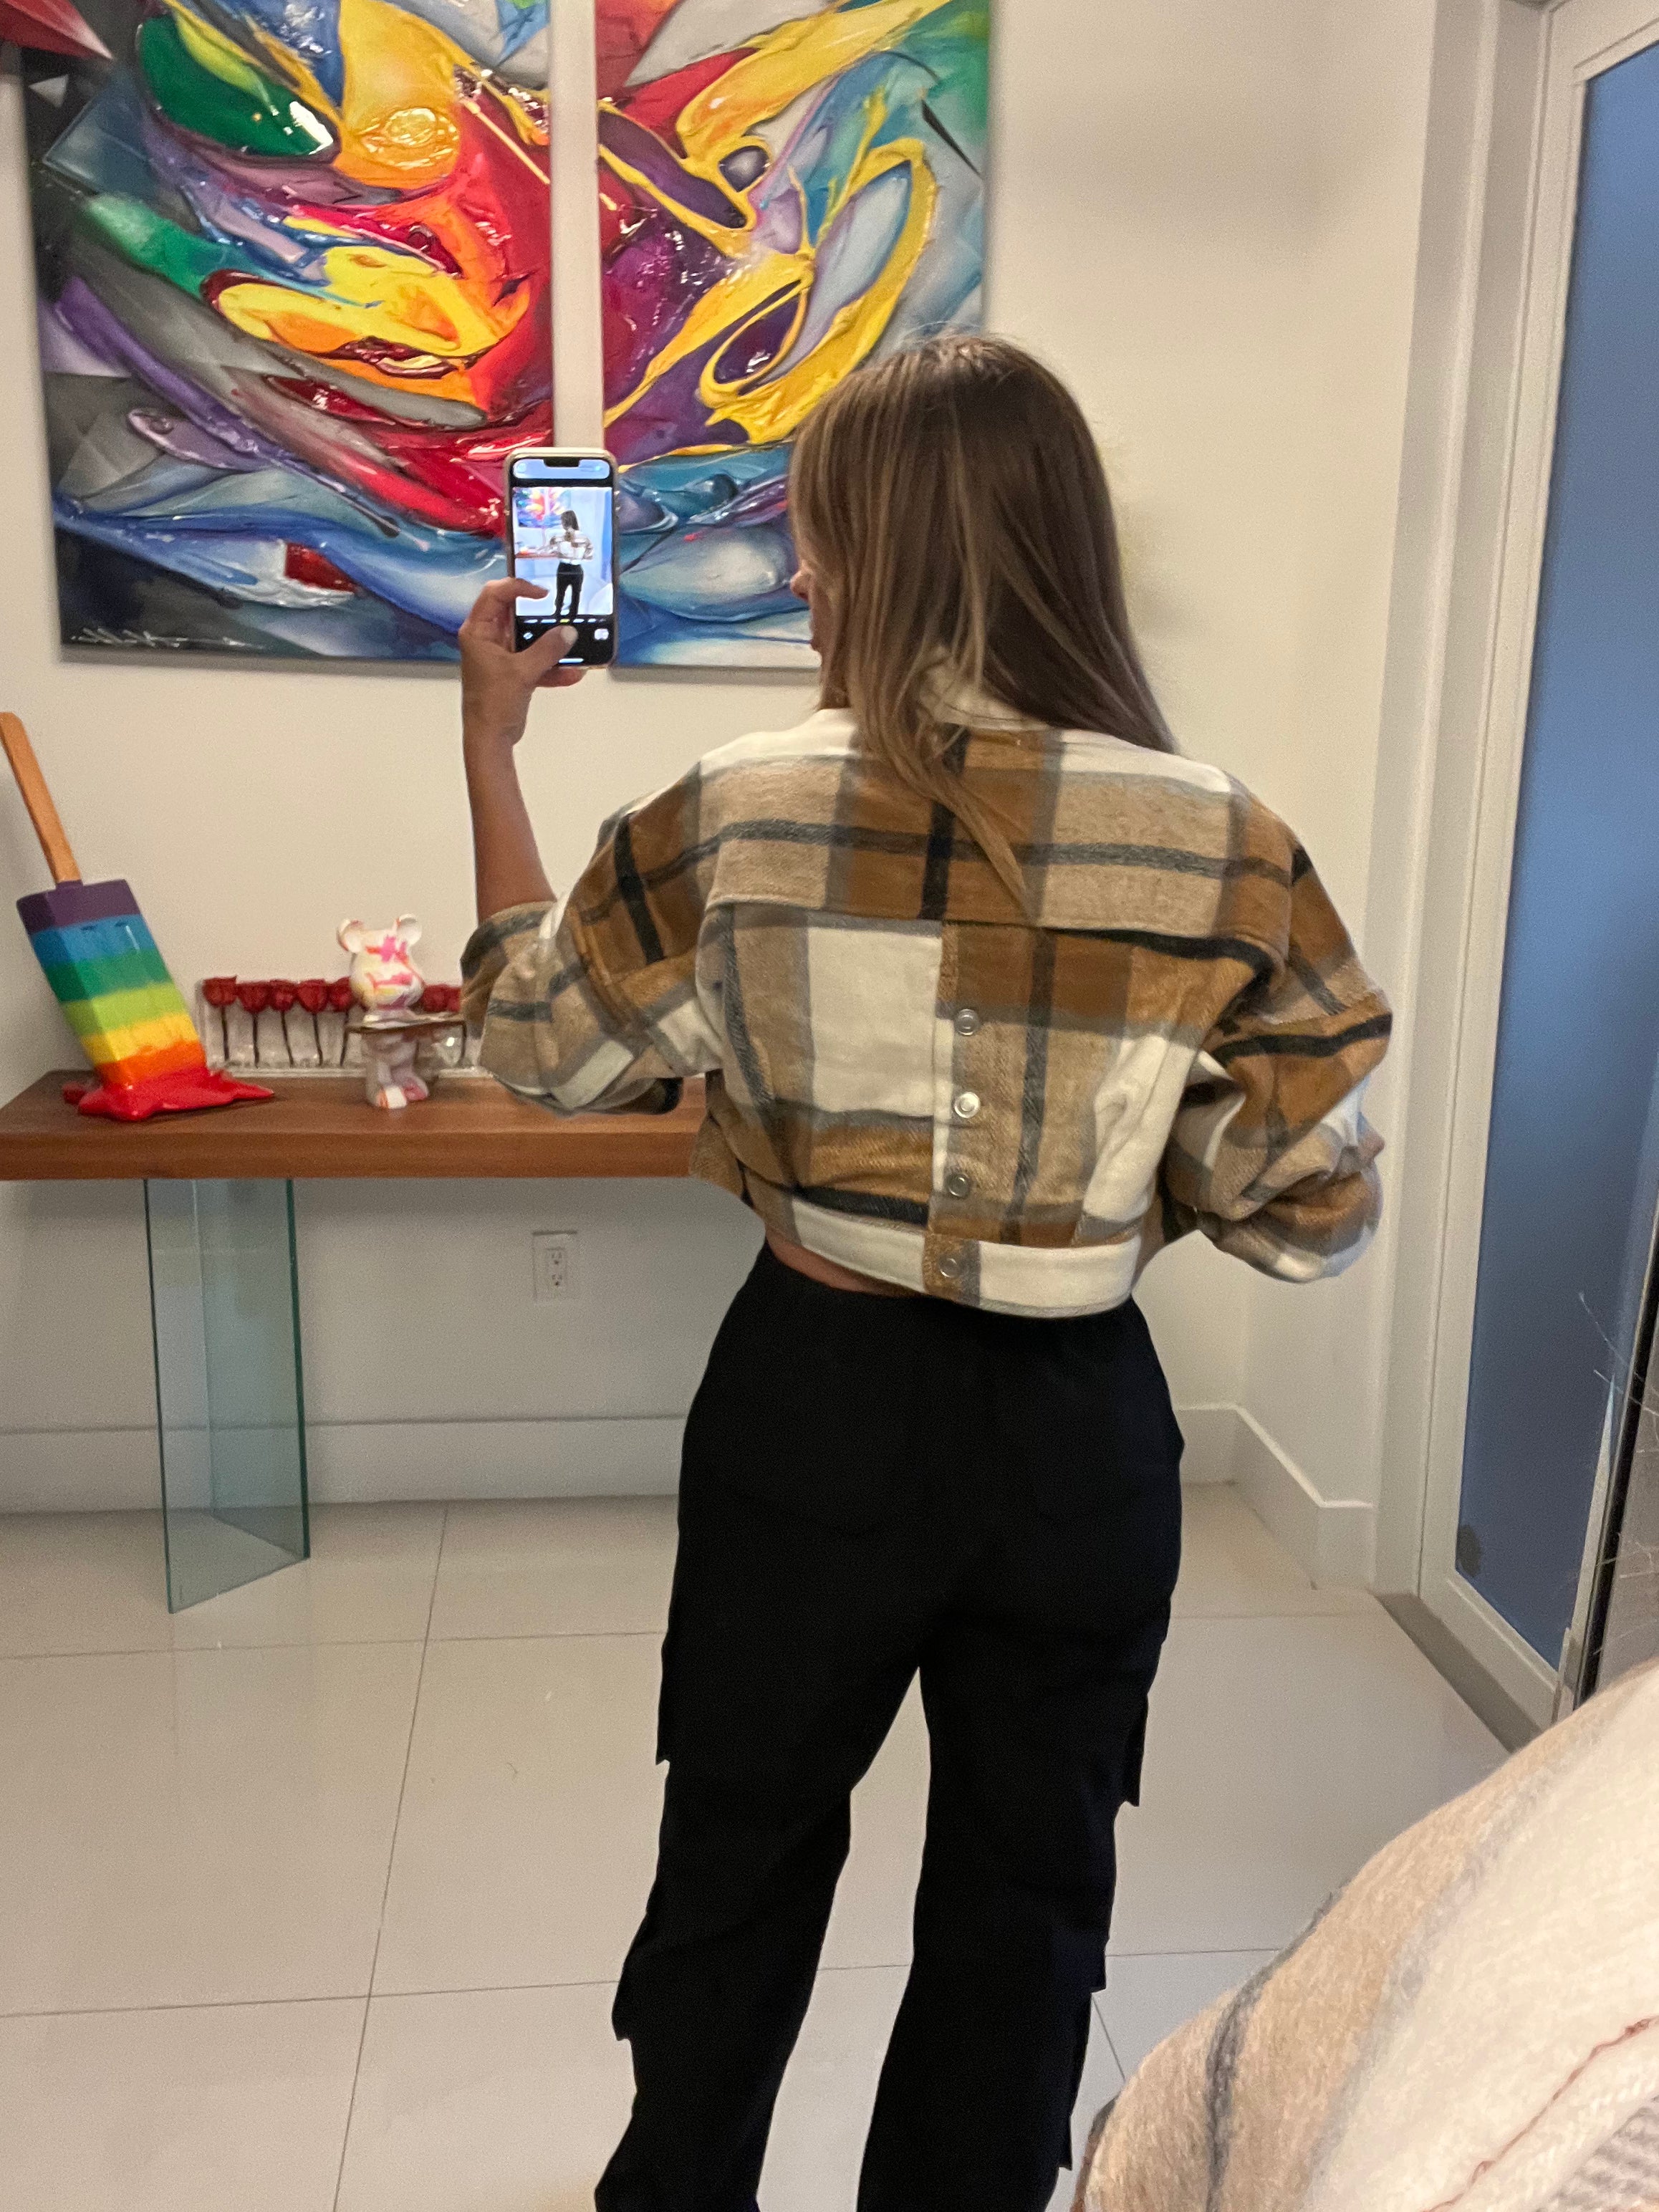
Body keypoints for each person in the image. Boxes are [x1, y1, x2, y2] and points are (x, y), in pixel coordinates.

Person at [456, 335, 1391, 2212]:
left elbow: (542, 1050)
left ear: (874, 550)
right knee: (1026, 1909)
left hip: (814, 1404)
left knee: (739, 1860)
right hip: (1079, 1439)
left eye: (818, 535)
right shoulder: (1224, 837)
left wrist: (489, 741)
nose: (803, 573)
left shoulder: (737, 803)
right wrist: (1109, 1181)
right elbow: (1308, 1212)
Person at [553, 507, 594, 620]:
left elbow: (551, 549)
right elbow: (589, 555)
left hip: (563, 568)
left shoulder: (558, 537)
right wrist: (580, 556)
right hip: (577, 568)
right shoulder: (584, 537)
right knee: (576, 595)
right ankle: (573, 617)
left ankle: (557, 615)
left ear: (565, 522)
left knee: (560, 593)